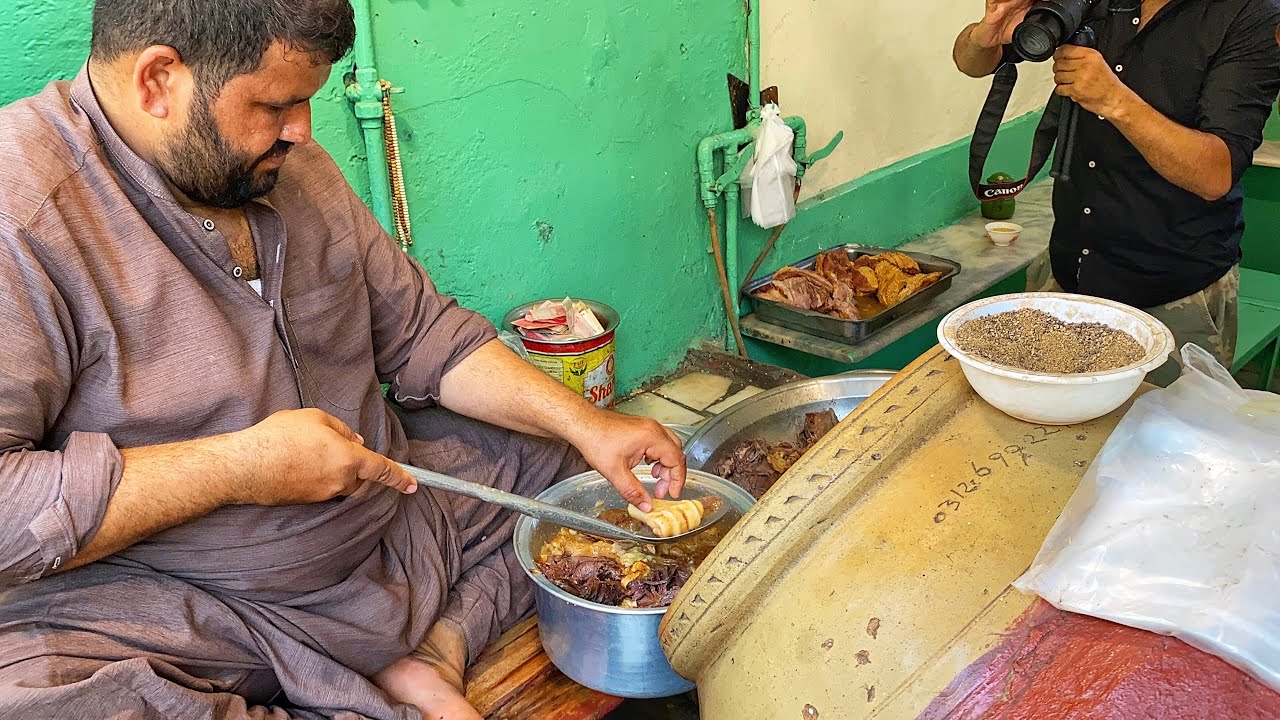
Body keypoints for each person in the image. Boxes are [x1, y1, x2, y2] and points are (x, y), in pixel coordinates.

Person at [0, 1, 687, 719]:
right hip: (197, 604)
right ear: (159, 81)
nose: (303, 130)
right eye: (277, 105)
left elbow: (425, 335)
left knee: (576, 464)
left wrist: (587, 425)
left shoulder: (293, 167)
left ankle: (433, 647)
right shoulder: (22, 214)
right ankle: (377, 668)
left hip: (389, 524)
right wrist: (240, 469)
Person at [953, 0, 1280, 385]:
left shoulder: (1250, 14)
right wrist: (985, 34)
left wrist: (1114, 99)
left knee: (1156, 439)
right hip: (1067, 276)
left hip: (1174, 293)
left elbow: (1215, 173)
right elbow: (972, 61)